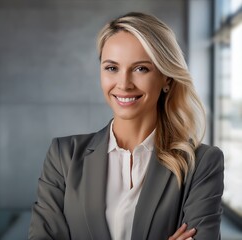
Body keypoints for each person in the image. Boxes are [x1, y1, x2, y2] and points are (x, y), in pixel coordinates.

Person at [28, 12, 224, 240]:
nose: (123, 84)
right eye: (112, 68)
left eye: (141, 68)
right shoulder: (64, 157)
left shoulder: (201, 163)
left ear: (166, 79)